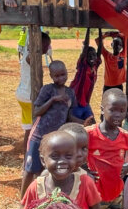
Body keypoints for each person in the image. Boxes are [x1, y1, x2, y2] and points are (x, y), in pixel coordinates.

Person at [21, 60, 84, 196]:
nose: (61, 78)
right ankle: (23, 202)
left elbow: (69, 116)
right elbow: (37, 111)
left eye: (63, 74)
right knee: (30, 169)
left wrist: (83, 123)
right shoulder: (48, 90)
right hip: (38, 136)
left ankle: (41, 201)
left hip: (54, 141)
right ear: (51, 76)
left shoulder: (70, 93)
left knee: (44, 173)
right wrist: (52, 100)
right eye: (57, 76)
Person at [17, 31, 53, 152]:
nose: (47, 48)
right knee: (31, 128)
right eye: (46, 45)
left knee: (30, 125)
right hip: (28, 96)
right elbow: (30, 58)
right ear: (38, 44)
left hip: (23, 94)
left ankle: (29, 151)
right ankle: (28, 153)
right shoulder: (31, 55)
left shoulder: (29, 52)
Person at [70, 29, 101, 123]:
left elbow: (100, 47)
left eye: (94, 55)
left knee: (93, 124)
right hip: (76, 101)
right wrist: (88, 27)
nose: (92, 58)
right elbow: (86, 46)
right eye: (89, 55)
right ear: (85, 57)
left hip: (85, 103)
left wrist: (99, 29)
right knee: (75, 126)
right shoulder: (83, 66)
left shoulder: (95, 66)